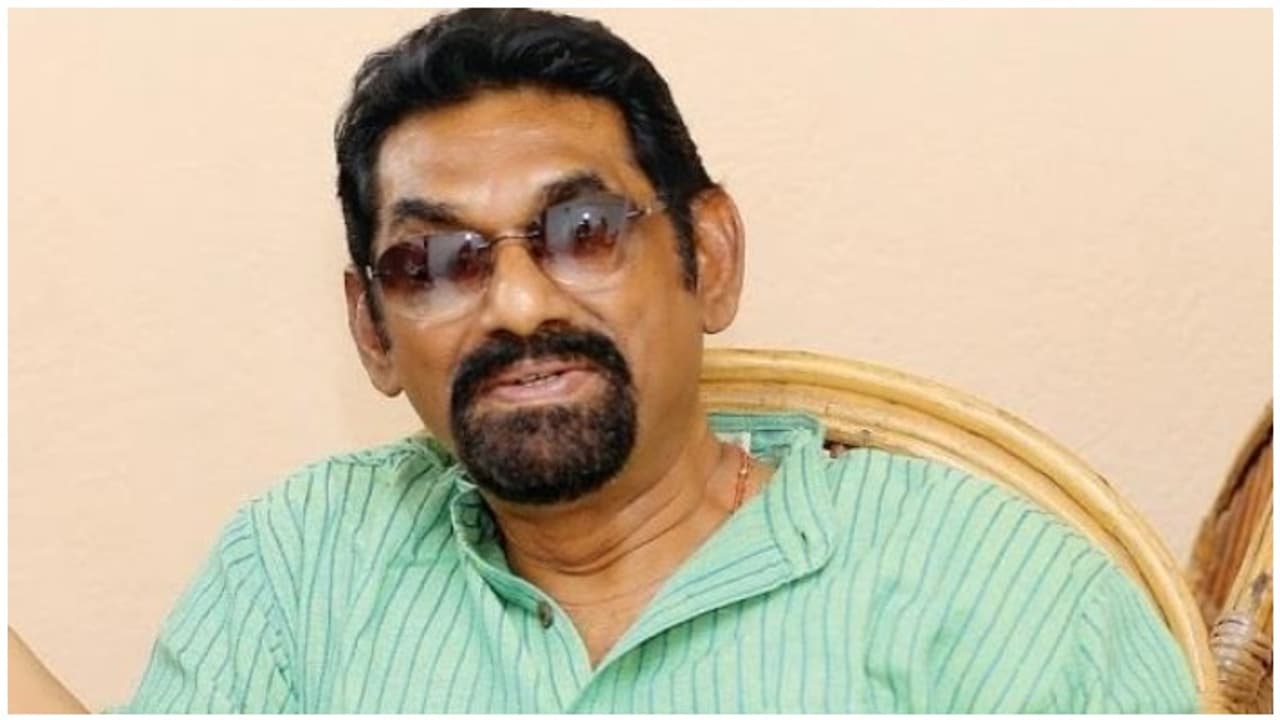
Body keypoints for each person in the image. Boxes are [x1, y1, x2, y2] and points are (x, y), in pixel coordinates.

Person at [11, 8, 1199, 713]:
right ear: (372, 329)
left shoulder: (991, 591)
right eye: (435, 262)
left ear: (708, 257)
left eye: (582, 233)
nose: (518, 305)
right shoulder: (303, 565)